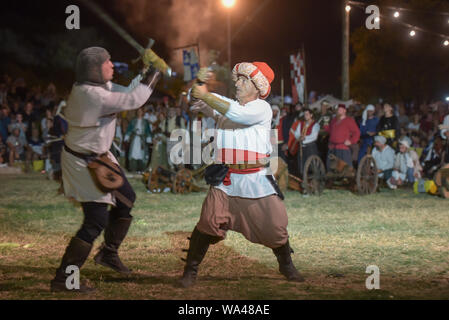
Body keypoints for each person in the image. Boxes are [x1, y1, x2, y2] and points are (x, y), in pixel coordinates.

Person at [179, 62, 304, 289]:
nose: (237, 83)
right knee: (207, 222)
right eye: (238, 79)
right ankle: (190, 270)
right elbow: (194, 101)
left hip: (255, 179)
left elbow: (237, 113)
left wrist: (207, 95)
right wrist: (198, 84)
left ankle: (286, 265)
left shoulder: (261, 108)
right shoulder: (227, 106)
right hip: (226, 181)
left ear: (257, 87)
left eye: (244, 80)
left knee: (275, 226)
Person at [50, 47, 162, 292]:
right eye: (107, 62)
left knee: (126, 199)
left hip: (98, 157)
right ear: (94, 69)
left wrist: (144, 71)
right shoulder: (91, 95)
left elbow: (128, 92)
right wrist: (155, 72)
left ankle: (108, 254)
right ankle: (64, 279)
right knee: (96, 219)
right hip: (83, 162)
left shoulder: (99, 89)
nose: (112, 65)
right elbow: (133, 99)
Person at [325, 104, 360, 169]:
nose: (339, 111)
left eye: (340, 110)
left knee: (344, 170)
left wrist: (351, 141)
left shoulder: (349, 120)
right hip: (332, 147)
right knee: (331, 168)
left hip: (343, 147)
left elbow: (357, 132)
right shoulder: (334, 120)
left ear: (345, 111)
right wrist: (325, 125)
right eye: (338, 110)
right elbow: (330, 131)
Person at [288, 108, 320, 176]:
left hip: (311, 147)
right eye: (305, 114)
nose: (305, 116)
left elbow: (314, 136)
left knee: (312, 164)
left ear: (311, 115)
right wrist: (299, 137)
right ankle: (303, 178)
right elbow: (296, 133)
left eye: (307, 114)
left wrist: (304, 138)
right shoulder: (301, 124)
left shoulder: (315, 124)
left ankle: (314, 179)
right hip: (301, 147)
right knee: (302, 164)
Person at [124, 107, 152, 173]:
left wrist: (149, 139)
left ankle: (141, 169)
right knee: (133, 153)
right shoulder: (133, 121)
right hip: (134, 140)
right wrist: (127, 137)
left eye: (140, 111)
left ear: (142, 112)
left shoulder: (145, 122)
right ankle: (133, 169)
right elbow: (129, 130)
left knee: (142, 154)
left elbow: (148, 131)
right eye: (138, 111)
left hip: (142, 140)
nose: (139, 112)